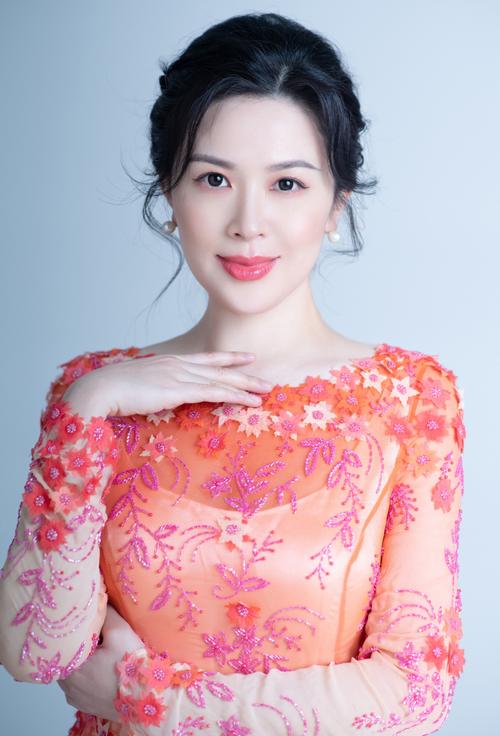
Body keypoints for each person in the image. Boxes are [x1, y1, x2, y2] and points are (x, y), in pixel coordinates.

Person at [0, 11, 466, 735]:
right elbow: (37, 653)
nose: (249, 222)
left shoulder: (412, 400)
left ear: (336, 204)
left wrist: (143, 699)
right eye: (214, 178)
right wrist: (85, 411)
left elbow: (416, 692)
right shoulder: (94, 397)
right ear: (170, 195)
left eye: (287, 184)